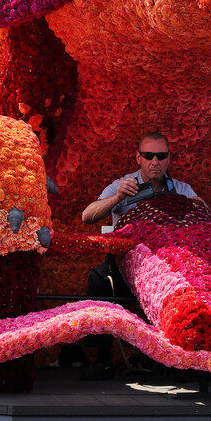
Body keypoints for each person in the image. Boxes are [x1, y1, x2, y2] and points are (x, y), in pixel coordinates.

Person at [80, 133, 201, 379]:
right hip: (125, 267)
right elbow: (87, 216)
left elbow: (206, 219)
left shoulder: (181, 189)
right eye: (148, 156)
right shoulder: (122, 185)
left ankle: (177, 359)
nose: (154, 161)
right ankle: (102, 360)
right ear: (138, 158)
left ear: (168, 159)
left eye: (161, 156)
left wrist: (197, 206)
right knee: (99, 280)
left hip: (168, 267)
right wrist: (118, 198)